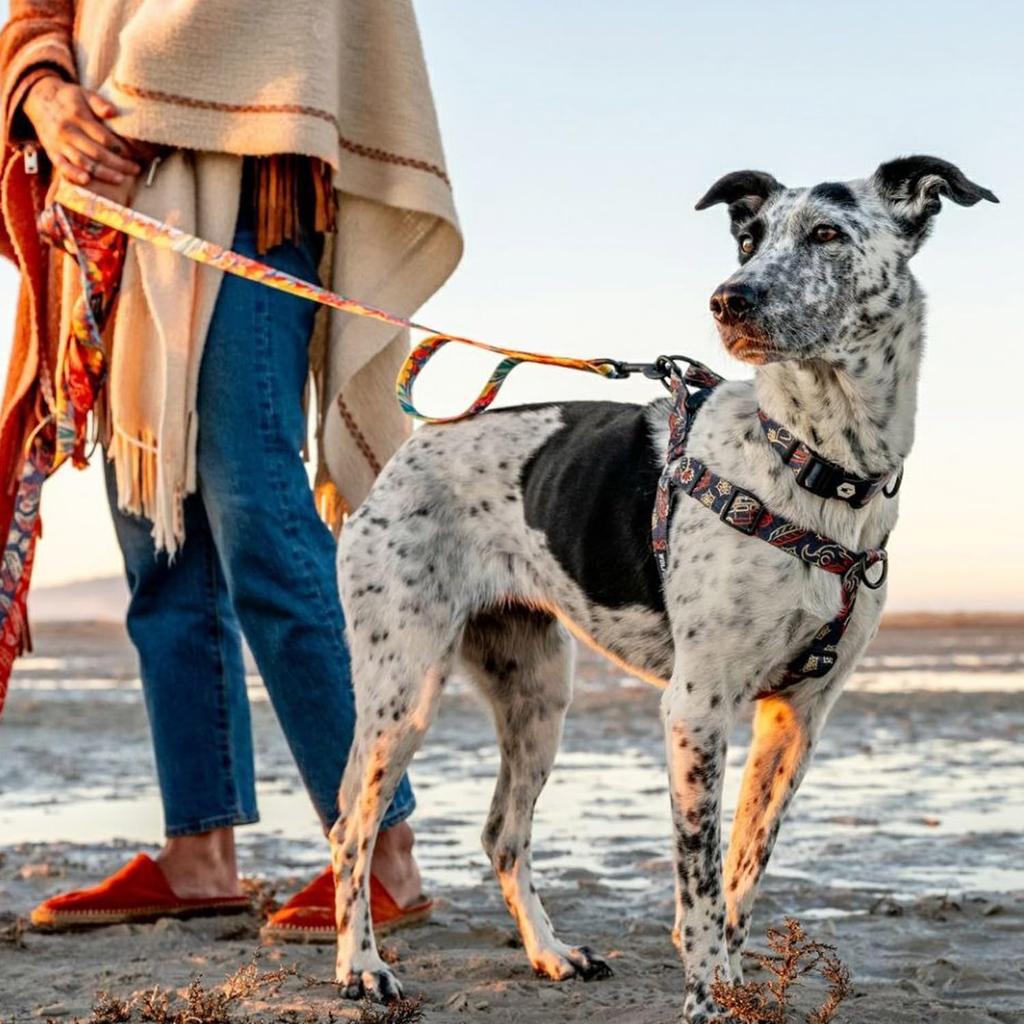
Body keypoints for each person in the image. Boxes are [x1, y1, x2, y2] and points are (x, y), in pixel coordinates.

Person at [0, 0, 461, 941]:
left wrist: (138, 89)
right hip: (114, 200)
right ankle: (198, 853)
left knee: (260, 510)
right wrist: (45, 96)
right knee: (155, 526)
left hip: (258, 184)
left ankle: (384, 851)